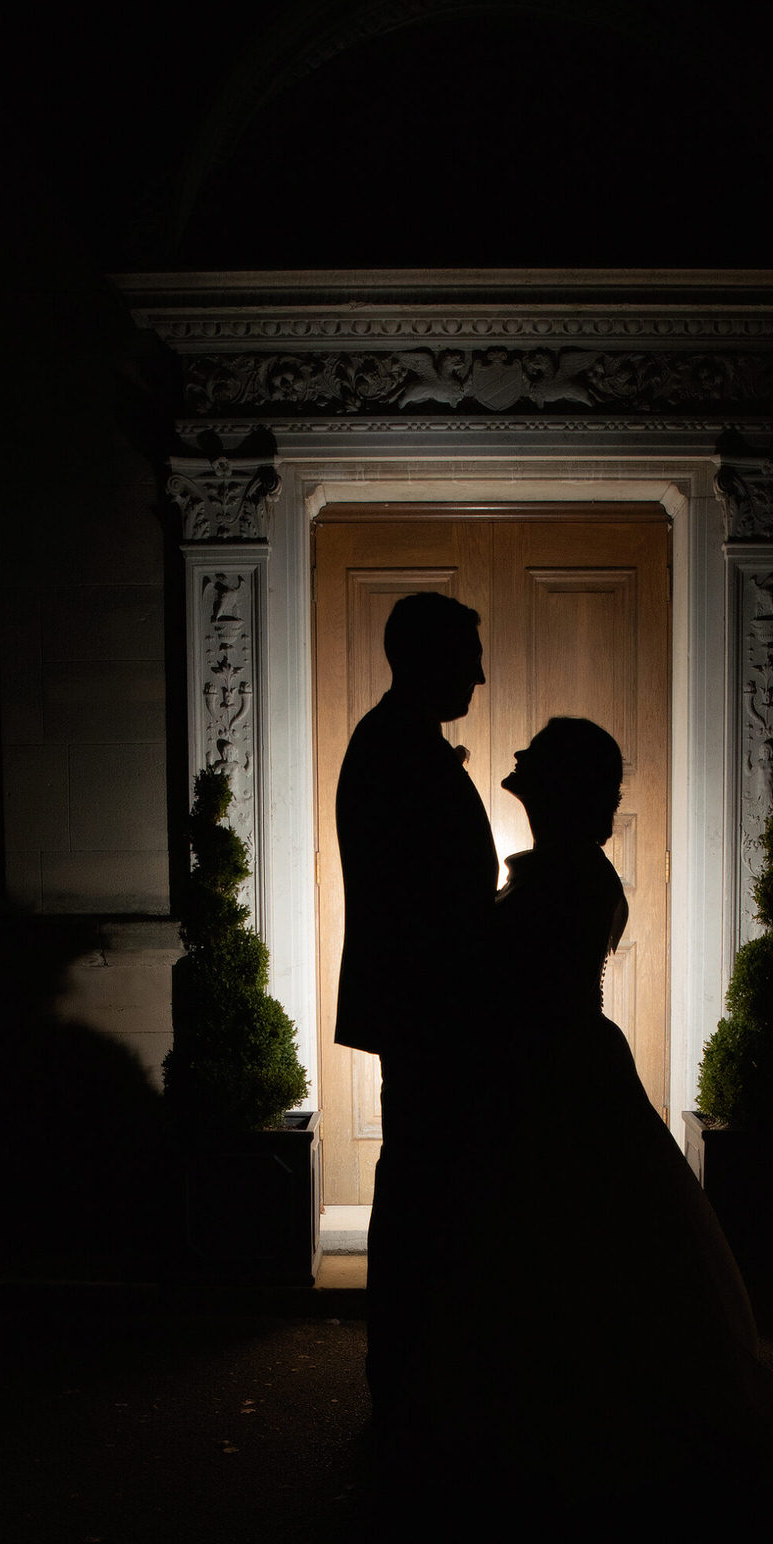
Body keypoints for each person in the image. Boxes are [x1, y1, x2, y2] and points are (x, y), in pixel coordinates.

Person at [425, 715, 773, 1493]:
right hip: (557, 1063)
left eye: (535, 755)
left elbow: (513, 973)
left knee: (573, 1232)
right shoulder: (561, 870)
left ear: (561, 786)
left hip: (554, 1071)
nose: (516, 758)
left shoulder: (570, 877)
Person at [334, 591, 498, 1434]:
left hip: (431, 1008)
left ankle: (420, 1364)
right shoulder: (396, 750)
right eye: (468, 654)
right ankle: (410, 1371)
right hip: (432, 1010)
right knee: (424, 1185)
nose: (479, 671)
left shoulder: (401, 743)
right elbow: (422, 900)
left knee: (428, 1182)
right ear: (428, 657)